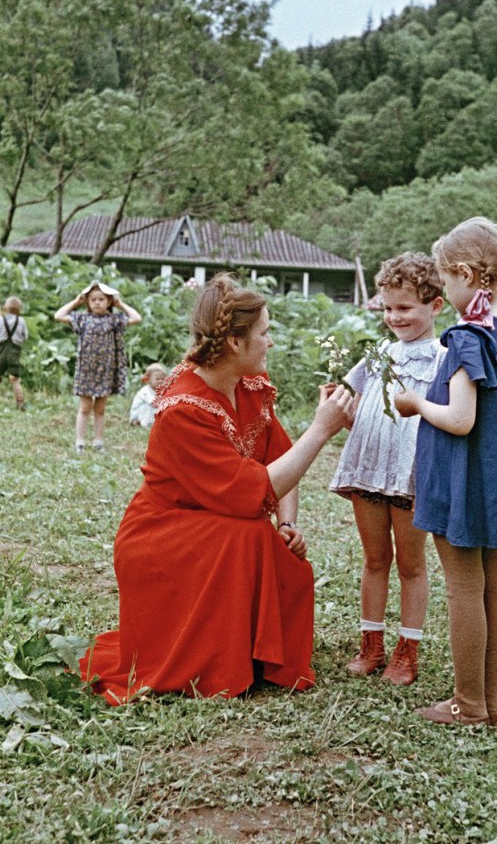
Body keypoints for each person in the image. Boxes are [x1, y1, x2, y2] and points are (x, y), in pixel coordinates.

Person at [79, 273, 355, 704]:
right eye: (265, 333)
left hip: (216, 520)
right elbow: (253, 494)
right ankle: (225, 661)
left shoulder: (249, 387)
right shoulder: (183, 411)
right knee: (247, 535)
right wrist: (321, 431)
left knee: (276, 552)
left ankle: (251, 655)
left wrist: (287, 523)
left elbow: (278, 464)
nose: (271, 342)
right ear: (235, 343)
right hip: (162, 534)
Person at [395, 217, 497, 727]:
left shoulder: (467, 338)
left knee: (462, 588)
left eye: (445, 280)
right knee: (491, 584)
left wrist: (415, 402)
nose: (445, 291)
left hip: (463, 480)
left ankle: (468, 703)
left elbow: (460, 419)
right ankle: (489, 700)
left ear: (464, 273)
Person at [330, 253, 445, 685]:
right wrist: (336, 401)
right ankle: (371, 645)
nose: (394, 317)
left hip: (411, 471)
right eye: (388, 308)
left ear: (435, 306)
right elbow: (349, 395)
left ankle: (407, 651)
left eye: (405, 308)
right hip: (369, 467)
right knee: (375, 558)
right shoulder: (378, 353)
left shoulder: (442, 358)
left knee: (411, 565)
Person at [54, 281, 142, 454]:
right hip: (86, 371)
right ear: (87, 302)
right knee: (85, 408)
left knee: (100, 409)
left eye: (101, 299)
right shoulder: (82, 318)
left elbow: (137, 318)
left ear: (108, 302)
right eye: (93, 299)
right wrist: (76, 301)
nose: (97, 303)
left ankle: (98, 442)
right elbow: (58, 315)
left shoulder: (114, 320)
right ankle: (80, 442)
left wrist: (120, 304)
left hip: (106, 371)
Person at [0, 296, 28, 411]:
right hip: (14, 352)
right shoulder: (21, 321)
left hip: (0, 352)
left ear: (5, 308)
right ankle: (20, 403)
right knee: (14, 379)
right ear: (19, 309)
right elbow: (25, 337)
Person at [129, 362, 167, 428]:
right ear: (148, 380)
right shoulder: (145, 391)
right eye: (157, 379)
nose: (160, 381)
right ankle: (143, 423)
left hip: (151, 410)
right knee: (148, 407)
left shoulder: (161, 391)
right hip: (138, 414)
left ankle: (157, 422)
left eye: (162, 379)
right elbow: (154, 403)